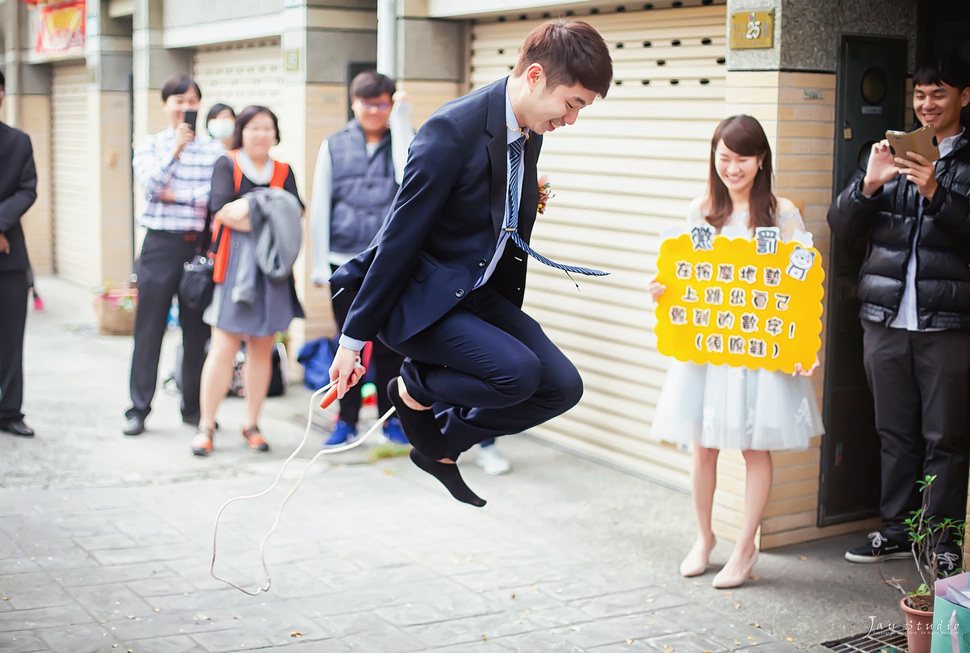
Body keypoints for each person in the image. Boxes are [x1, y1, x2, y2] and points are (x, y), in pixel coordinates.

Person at [328, 19, 614, 507]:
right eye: (572, 104)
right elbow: (398, 238)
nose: (571, 120)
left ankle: (441, 445)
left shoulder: (529, 131)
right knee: (517, 374)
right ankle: (412, 388)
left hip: (473, 294)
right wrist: (354, 341)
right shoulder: (450, 131)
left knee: (563, 386)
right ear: (536, 75)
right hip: (418, 300)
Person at [648, 115, 824, 589]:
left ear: (761, 159)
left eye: (741, 158)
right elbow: (688, 275)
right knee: (703, 446)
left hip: (760, 350)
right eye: (723, 158)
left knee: (752, 447)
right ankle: (703, 539)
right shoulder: (701, 211)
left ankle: (746, 548)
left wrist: (805, 344)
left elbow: (801, 285)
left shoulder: (782, 213)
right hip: (709, 349)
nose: (731, 167)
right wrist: (665, 290)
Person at [828, 61, 970, 575]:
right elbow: (841, 224)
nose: (927, 104)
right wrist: (869, 183)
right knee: (894, 432)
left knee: (945, 437)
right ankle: (894, 531)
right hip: (885, 317)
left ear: (964, 97)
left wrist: (937, 192)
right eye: (920, 95)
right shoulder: (886, 153)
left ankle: (942, 542)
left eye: (939, 94)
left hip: (947, 323)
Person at [191, 105, 304, 456]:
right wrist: (272, 208)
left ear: (275, 133)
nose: (261, 134)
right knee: (223, 349)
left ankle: (251, 424)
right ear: (242, 131)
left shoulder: (284, 170)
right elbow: (223, 212)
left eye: (268, 127)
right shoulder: (228, 164)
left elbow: (296, 213)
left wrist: (251, 207)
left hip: (271, 272)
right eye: (254, 127)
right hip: (233, 268)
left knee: (261, 349)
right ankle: (206, 425)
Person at [309, 71, 412, 448]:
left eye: (382, 103)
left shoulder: (402, 141)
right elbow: (320, 204)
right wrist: (320, 263)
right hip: (342, 260)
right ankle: (345, 419)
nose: (374, 111)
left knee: (391, 345)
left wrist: (401, 119)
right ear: (353, 102)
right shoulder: (334, 144)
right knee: (346, 344)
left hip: (388, 261)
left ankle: (391, 419)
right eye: (367, 103)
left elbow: (408, 174)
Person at [123, 75, 225, 436]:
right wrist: (175, 152)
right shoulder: (150, 145)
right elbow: (150, 186)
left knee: (196, 333)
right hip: (159, 246)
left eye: (192, 101)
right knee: (148, 329)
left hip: (197, 247)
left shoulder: (215, 150)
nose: (186, 107)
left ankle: (194, 408)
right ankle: (138, 408)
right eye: (179, 100)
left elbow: (216, 197)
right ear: (165, 104)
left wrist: (176, 194)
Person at [0, 69, 39, 438]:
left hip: (8, 258)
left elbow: (28, 189)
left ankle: (10, 411)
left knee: (11, 339)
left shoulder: (17, 141)